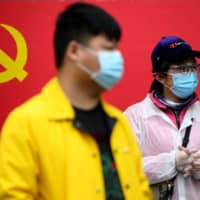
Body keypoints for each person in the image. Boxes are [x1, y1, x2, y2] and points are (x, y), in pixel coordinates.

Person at [0, 2, 151, 200]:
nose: (118, 59)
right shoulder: (26, 123)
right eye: (108, 50)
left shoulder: (119, 122)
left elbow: (140, 190)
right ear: (74, 51)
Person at [124, 35, 200, 200]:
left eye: (193, 67)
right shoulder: (134, 116)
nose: (191, 74)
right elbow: (125, 169)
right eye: (182, 69)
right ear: (160, 77)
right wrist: (172, 162)